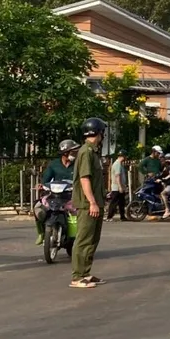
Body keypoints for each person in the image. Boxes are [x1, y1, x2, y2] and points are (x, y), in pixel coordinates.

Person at [70, 117, 107, 289]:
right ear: (98, 132)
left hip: (96, 202)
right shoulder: (85, 152)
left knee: (93, 239)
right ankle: (77, 276)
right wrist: (92, 202)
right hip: (87, 203)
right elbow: (85, 179)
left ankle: (86, 273)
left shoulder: (93, 152)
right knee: (84, 239)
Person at [34, 139, 80, 245]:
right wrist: (41, 185)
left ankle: (76, 236)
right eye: (73, 152)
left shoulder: (78, 164)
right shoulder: (54, 164)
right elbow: (45, 180)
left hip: (71, 196)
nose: (75, 154)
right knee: (37, 206)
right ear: (65, 153)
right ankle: (41, 233)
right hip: (55, 195)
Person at [106, 151, 128, 222]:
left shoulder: (119, 164)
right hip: (117, 187)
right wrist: (120, 187)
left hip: (120, 186)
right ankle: (109, 216)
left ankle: (122, 216)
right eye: (125, 156)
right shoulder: (117, 164)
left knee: (122, 202)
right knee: (114, 202)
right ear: (123, 156)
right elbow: (117, 176)